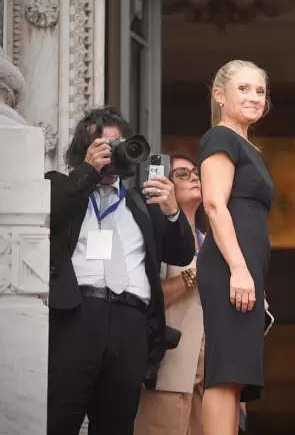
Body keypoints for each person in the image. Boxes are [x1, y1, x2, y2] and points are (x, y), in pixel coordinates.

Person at [45, 106, 196, 435]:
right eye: (106, 144)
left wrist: (172, 212)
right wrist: (87, 171)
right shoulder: (65, 188)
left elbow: (182, 253)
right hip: (77, 317)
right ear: (85, 148)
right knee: (58, 421)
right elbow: (49, 213)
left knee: (116, 426)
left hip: (131, 324)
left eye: (120, 143)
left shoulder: (141, 204)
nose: (115, 151)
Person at [197, 60, 274, 435]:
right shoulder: (220, 138)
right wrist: (240, 270)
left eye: (260, 91)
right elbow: (213, 204)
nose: (254, 97)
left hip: (244, 271)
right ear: (219, 95)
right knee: (225, 371)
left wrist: (255, 282)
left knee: (236, 377)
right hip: (230, 269)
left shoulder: (249, 147)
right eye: (243, 88)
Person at [134, 153, 207, 435]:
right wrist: (195, 276)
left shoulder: (211, 240)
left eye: (196, 172)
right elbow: (148, 297)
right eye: (183, 174)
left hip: (206, 376)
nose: (194, 178)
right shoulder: (157, 237)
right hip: (169, 372)